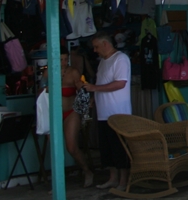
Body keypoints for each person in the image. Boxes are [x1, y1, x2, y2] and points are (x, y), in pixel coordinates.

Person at [84, 32, 131, 191]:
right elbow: (102, 83)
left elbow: (120, 84)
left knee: (119, 147)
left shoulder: (120, 59)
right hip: (104, 112)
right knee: (107, 148)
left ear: (105, 44)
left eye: (97, 46)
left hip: (117, 112)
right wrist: (94, 96)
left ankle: (123, 181)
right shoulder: (103, 62)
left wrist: (95, 88)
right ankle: (113, 178)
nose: (95, 50)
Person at [44, 47, 93, 187]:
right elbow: (40, 92)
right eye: (61, 59)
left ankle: (87, 170)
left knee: (71, 147)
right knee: (54, 148)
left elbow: (81, 91)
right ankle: (58, 182)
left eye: (66, 59)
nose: (64, 62)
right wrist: (46, 89)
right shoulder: (48, 73)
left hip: (70, 111)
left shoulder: (73, 72)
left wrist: (86, 99)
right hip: (53, 113)